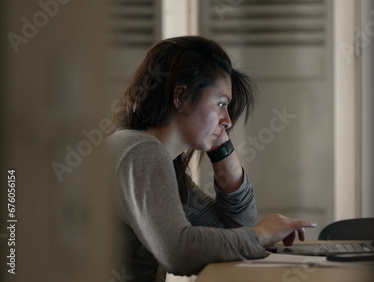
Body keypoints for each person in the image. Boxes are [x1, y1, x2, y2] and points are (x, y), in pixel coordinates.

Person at [106, 36, 317, 281]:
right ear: (181, 96)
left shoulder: (154, 158)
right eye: (220, 104)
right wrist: (260, 234)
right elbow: (179, 252)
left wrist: (222, 148)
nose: (227, 121)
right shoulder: (140, 151)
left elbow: (234, 234)